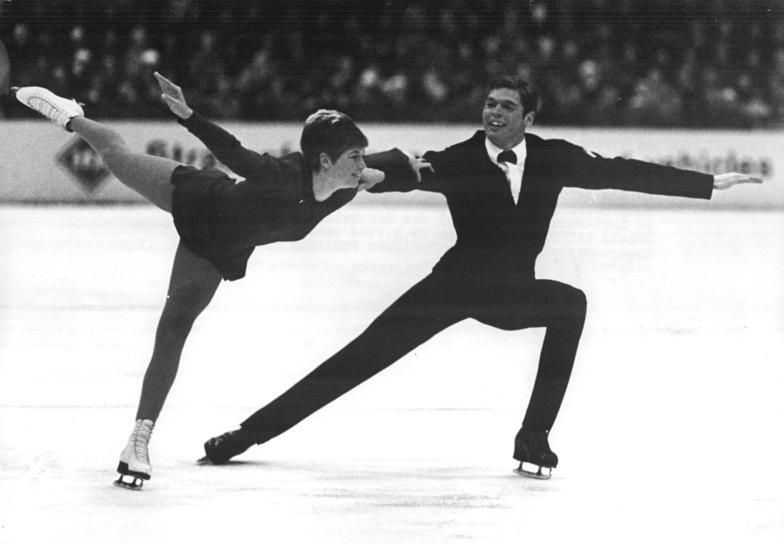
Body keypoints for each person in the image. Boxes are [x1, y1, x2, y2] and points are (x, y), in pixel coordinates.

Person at [199, 75, 761, 479]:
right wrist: (371, 174)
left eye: (506, 107)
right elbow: (412, 170)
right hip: (453, 286)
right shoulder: (462, 158)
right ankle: (246, 436)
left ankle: (533, 437)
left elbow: (621, 172)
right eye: (489, 104)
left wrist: (707, 185)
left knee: (571, 304)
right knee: (359, 356)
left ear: (528, 119)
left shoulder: (555, 157)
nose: (493, 113)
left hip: (513, 293)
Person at [13, 75, 423, 489]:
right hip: (196, 198)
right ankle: (72, 116)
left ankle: (139, 437)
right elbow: (234, 153)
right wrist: (189, 115)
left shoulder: (347, 187)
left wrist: (413, 166)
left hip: (215, 252)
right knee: (116, 156)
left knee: (175, 328)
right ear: (324, 162)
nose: (361, 165)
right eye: (354, 157)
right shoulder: (281, 175)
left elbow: (390, 163)